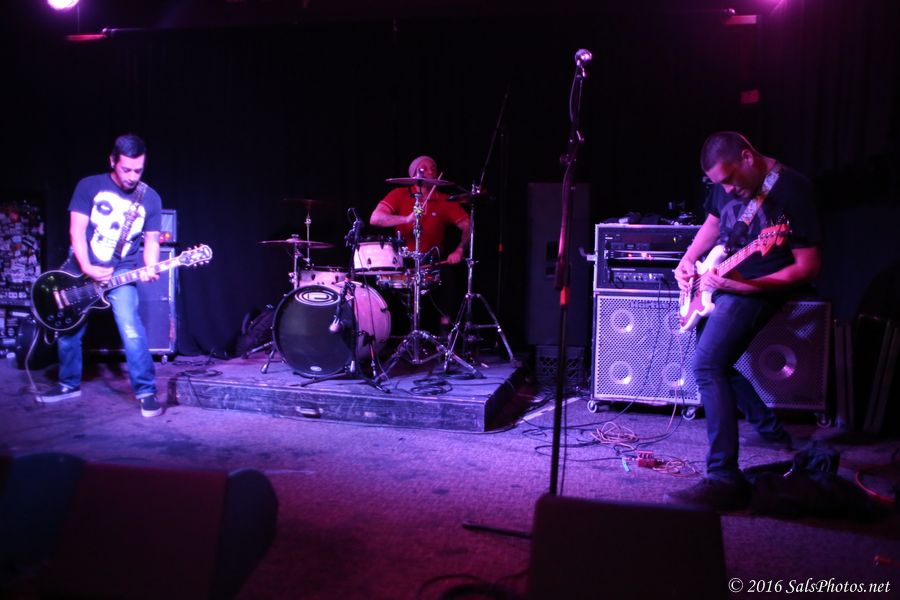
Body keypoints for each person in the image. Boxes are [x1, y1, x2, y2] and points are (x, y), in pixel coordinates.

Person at [667, 131, 822, 510]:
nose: (727, 189)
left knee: (707, 366)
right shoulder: (725, 186)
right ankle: (772, 431)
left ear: (748, 157)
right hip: (720, 279)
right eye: (719, 184)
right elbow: (713, 223)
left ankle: (723, 478)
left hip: (758, 286)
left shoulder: (793, 189)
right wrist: (689, 259)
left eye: (730, 179)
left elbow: (808, 266)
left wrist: (749, 286)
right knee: (715, 363)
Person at [37, 134, 165, 418]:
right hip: (83, 265)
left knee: (131, 329)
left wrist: (151, 266)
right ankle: (68, 383)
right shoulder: (89, 186)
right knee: (69, 328)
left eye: (138, 170)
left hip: (122, 268)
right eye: (126, 169)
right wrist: (87, 267)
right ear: (112, 161)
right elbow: (76, 231)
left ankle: (146, 391)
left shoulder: (151, 198)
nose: (132, 177)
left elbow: (152, 242)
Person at [369, 155, 470, 332]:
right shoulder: (399, 194)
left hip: (432, 262)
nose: (430, 171)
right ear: (414, 174)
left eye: (433, 168)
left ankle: (445, 331)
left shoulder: (445, 200)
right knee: (380, 285)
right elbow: (375, 218)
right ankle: (386, 333)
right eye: (424, 169)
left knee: (449, 279)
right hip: (402, 261)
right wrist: (406, 219)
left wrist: (460, 250)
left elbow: (468, 226)